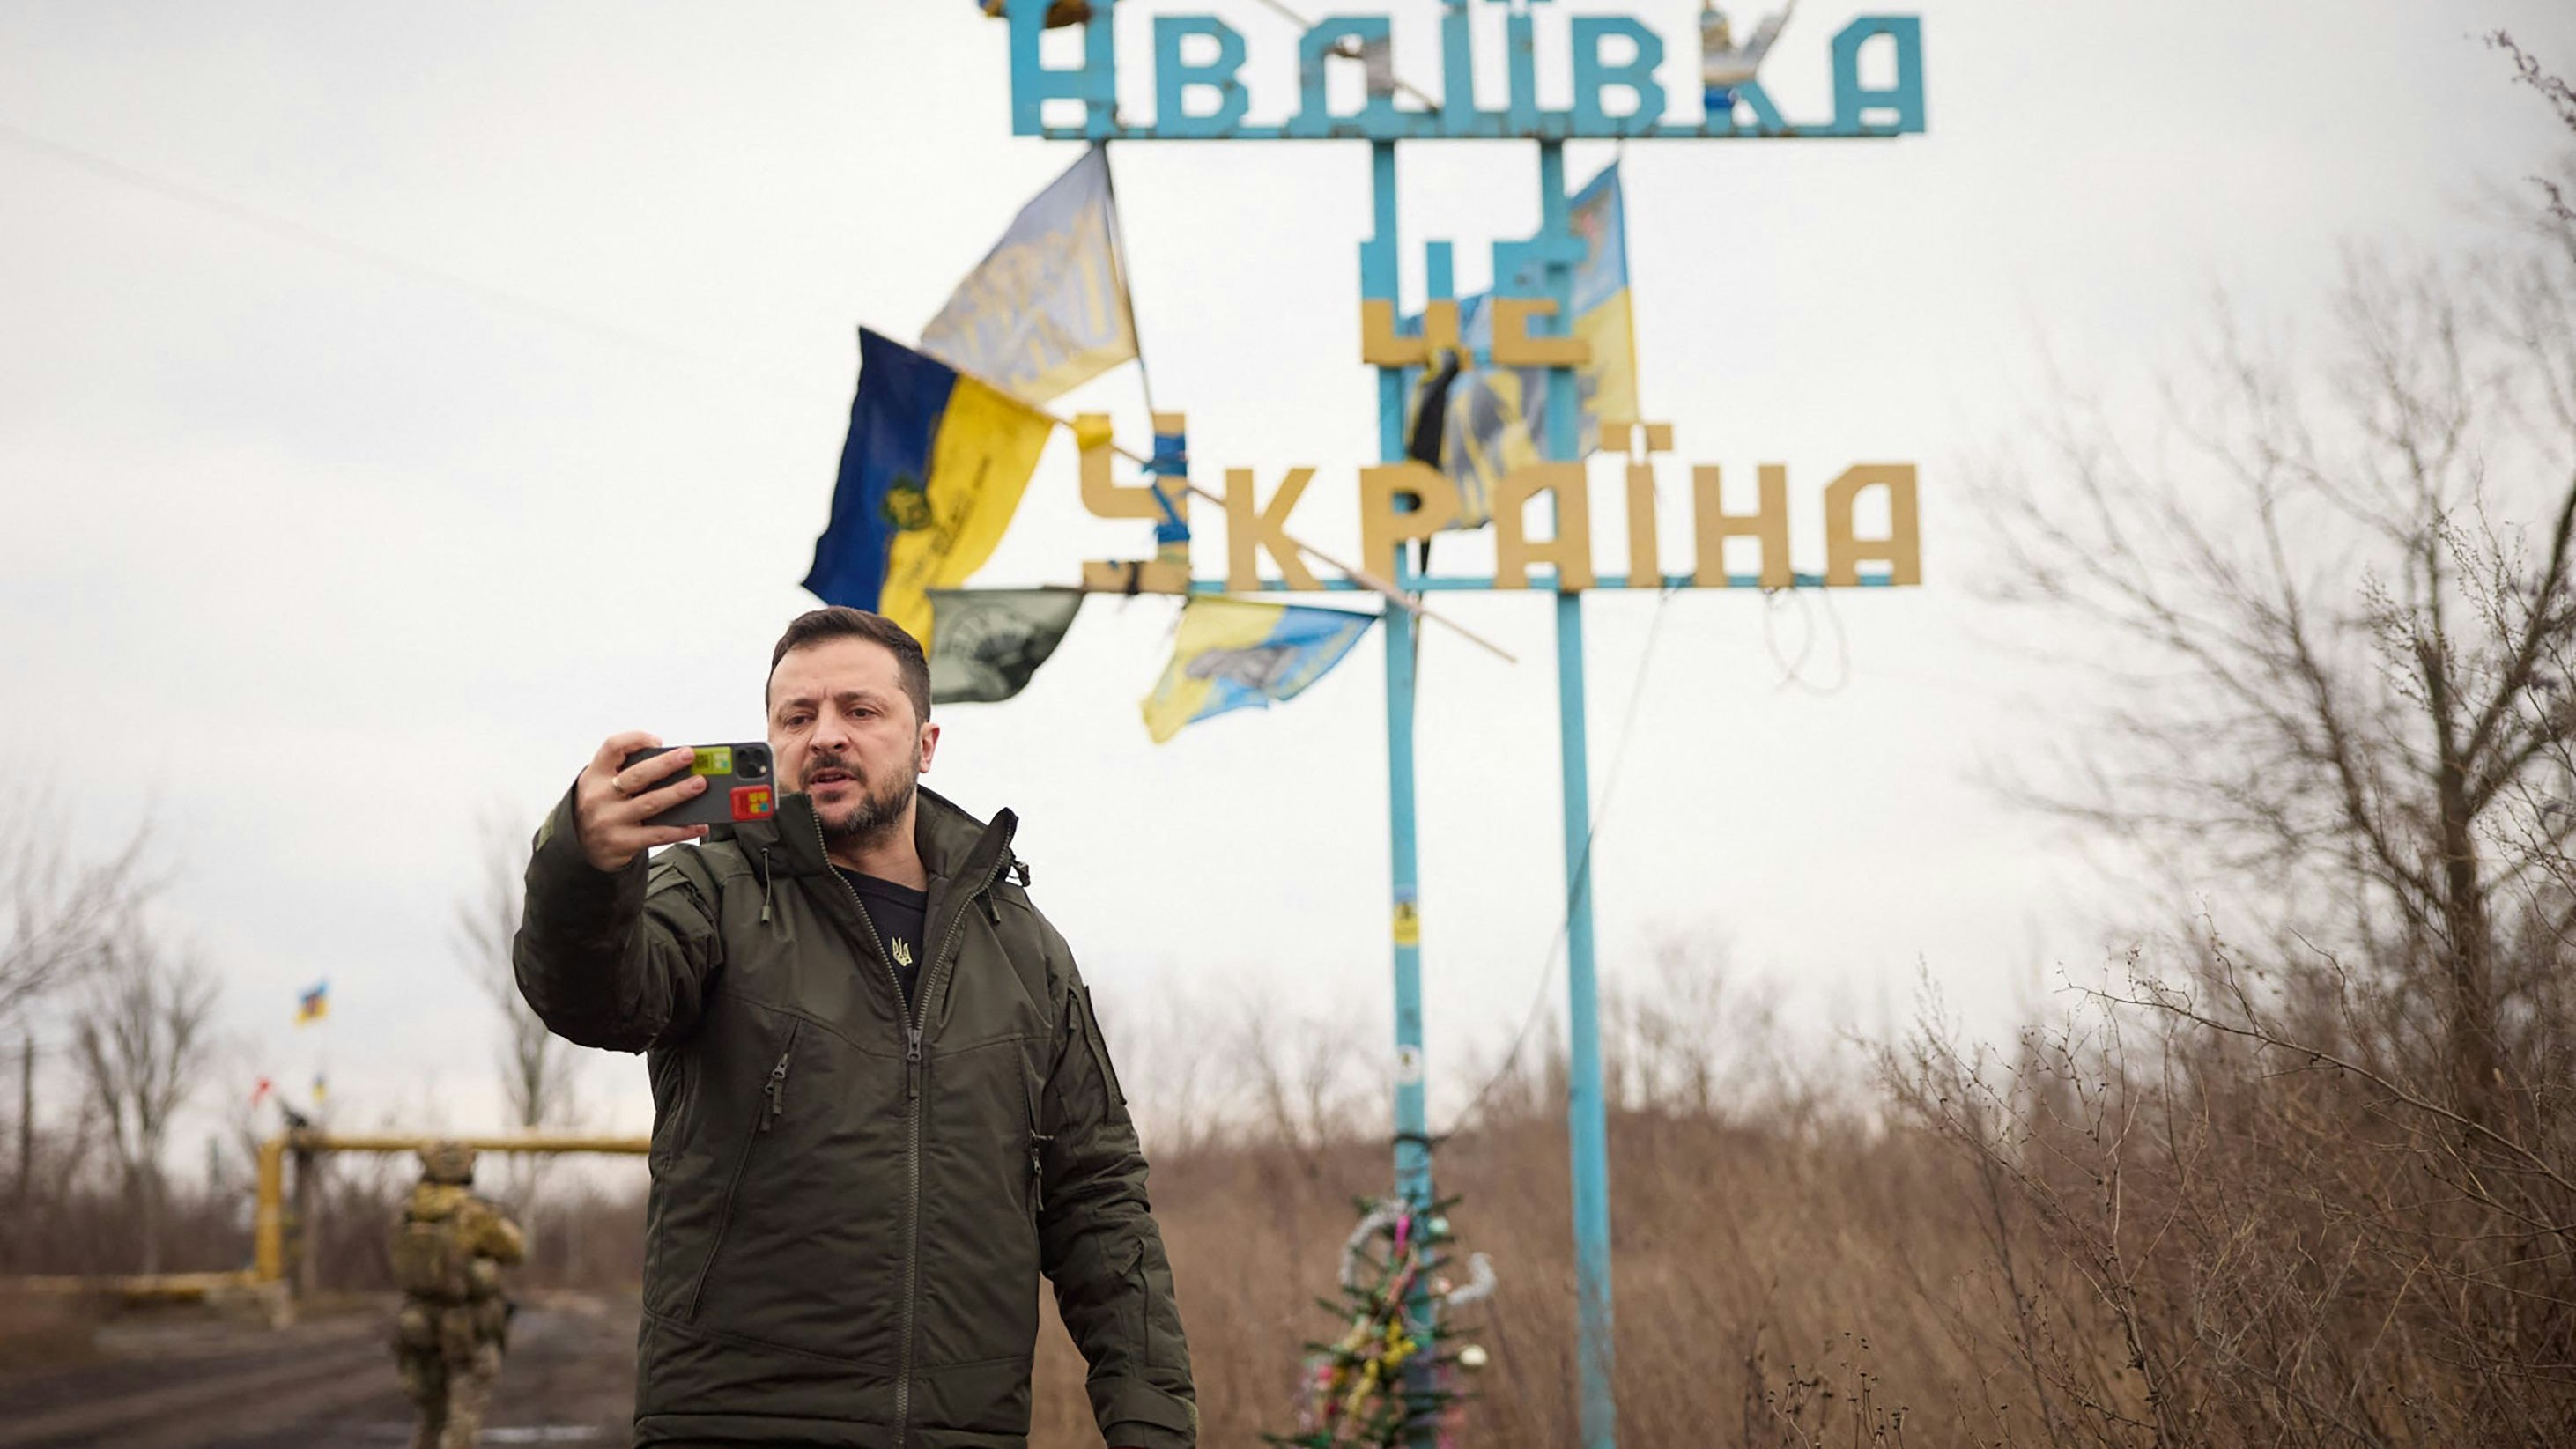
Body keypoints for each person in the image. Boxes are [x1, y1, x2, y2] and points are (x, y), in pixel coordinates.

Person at [513, 606, 1196, 1449]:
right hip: (736, 1423)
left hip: (967, 1429)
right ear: (769, 743)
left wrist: (1151, 1421)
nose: (825, 736)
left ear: (926, 742)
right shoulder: (711, 889)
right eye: (797, 717)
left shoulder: (1023, 946)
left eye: (860, 711)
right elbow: (596, 1000)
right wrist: (583, 865)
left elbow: (1098, 1198)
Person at [389, 1142, 526, 1449]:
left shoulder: (408, 1210)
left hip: (417, 1325)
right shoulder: (472, 1212)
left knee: (430, 1416)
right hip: (467, 1326)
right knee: (463, 1416)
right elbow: (516, 1249)